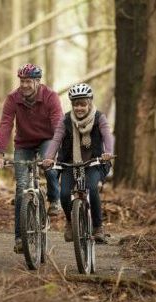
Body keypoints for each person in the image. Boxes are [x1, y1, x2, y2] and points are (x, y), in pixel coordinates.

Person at [0, 63, 63, 253]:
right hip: (24, 144)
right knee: (21, 188)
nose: (24, 85)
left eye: (29, 81)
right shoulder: (13, 99)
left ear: (38, 82)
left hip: (47, 139)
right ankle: (19, 238)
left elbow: (58, 125)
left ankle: (54, 199)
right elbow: (6, 124)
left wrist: (54, 152)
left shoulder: (50, 97)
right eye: (22, 81)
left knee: (49, 167)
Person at [42, 83, 114, 243]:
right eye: (76, 104)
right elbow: (56, 139)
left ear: (89, 103)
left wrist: (108, 152)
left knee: (92, 188)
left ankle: (98, 227)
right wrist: (49, 157)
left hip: (93, 162)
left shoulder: (99, 118)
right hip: (70, 163)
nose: (79, 108)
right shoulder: (66, 120)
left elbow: (108, 136)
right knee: (64, 194)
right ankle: (70, 221)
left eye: (83, 104)